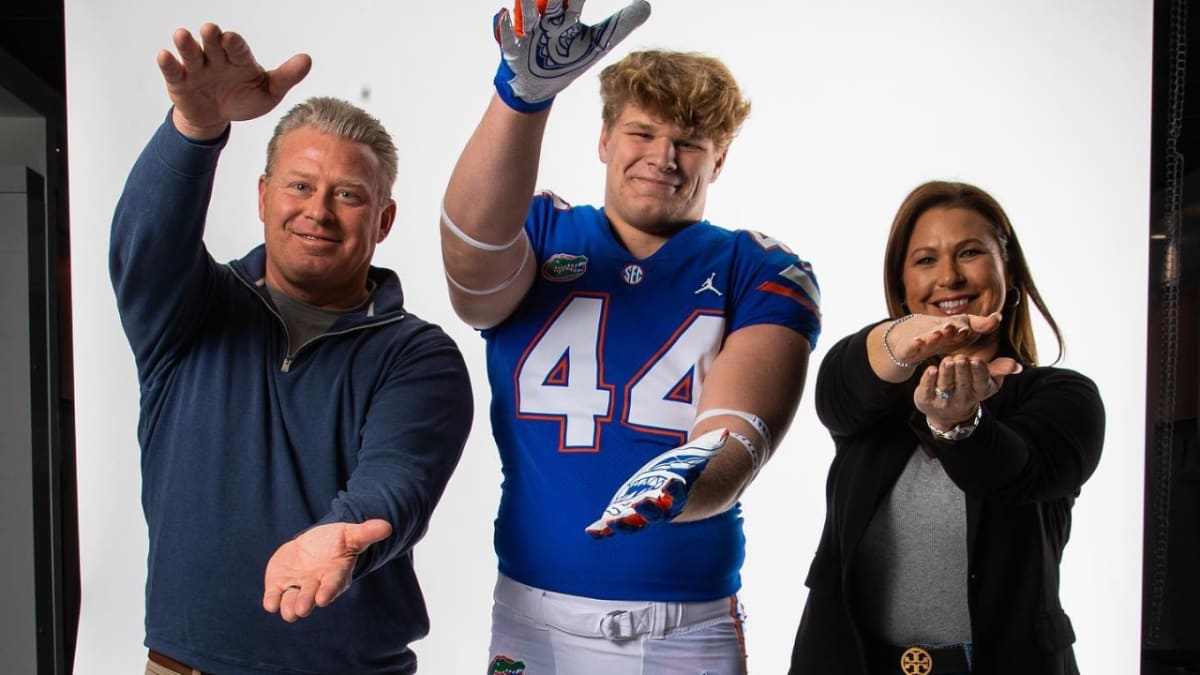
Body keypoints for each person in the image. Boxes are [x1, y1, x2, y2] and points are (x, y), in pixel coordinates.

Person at [441, 1, 821, 672]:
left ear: (719, 160)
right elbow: (472, 269)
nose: (662, 157)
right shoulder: (541, 230)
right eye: (642, 132)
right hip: (532, 617)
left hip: (686, 628)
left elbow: (740, 431)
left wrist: (688, 481)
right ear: (604, 139)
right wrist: (522, 98)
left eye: (689, 142)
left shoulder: (756, 266)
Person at [109, 23, 473, 675]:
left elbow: (399, 476)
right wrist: (195, 128)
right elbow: (144, 245)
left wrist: (344, 533)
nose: (319, 211)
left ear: (384, 220)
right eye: (300, 185)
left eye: (348, 195)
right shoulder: (190, 310)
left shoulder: (417, 355)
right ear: (263, 196)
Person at [788, 180, 1106, 675]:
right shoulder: (872, 395)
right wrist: (903, 340)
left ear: (1009, 271)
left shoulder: (1064, 397)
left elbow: (1013, 473)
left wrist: (957, 422)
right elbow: (837, 390)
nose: (949, 277)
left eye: (970, 252)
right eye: (925, 260)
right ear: (902, 284)